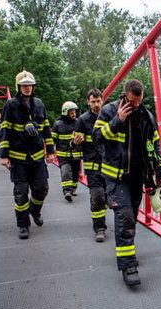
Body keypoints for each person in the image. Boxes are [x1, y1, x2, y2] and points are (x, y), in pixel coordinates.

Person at [93, 79, 161, 286]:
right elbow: (96, 137)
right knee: (125, 218)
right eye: (133, 101)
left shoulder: (146, 115)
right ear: (125, 95)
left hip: (138, 177)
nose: (136, 105)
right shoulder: (108, 111)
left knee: (131, 218)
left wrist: (160, 168)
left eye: (139, 101)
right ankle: (128, 266)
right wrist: (117, 121)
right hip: (116, 177)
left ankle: (127, 249)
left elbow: (155, 144)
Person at [0, 70, 55, 239]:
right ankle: (23, 224)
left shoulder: (39, 103)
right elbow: (5, 130)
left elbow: (46, 128)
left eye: (30, 85)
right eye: (24, 85)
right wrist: (3, 154)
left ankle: (35, 211)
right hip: (18, 158)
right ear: (18, 87)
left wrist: (50, 151)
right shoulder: (10, 105)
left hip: (37, 157)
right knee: (21, 192)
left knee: (42, 188)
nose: (28, 88)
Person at [73, 88, 107, 242]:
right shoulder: (82, 120)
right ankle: (99, 228)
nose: (96, 104)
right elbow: (74, 145)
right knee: (97, 196)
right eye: (93, 102)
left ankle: (102, 212)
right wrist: (75, 142)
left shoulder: (110, 116)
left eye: (98, 101)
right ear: (88, 102)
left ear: (103, 100)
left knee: (109, 197)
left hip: (110, 166)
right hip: (93, 166)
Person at [52, 101, 82, 202]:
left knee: (75, 173)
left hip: (76, 155)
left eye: (74, 112)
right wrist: (50, 151)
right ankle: (67, 191)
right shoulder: (58, 124)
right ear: (65, 112)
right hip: (63, 156)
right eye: (71, 112)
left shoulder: (78, 123)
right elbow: (53, 139)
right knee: (66, 172)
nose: (74, 114)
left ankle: (73, 188)